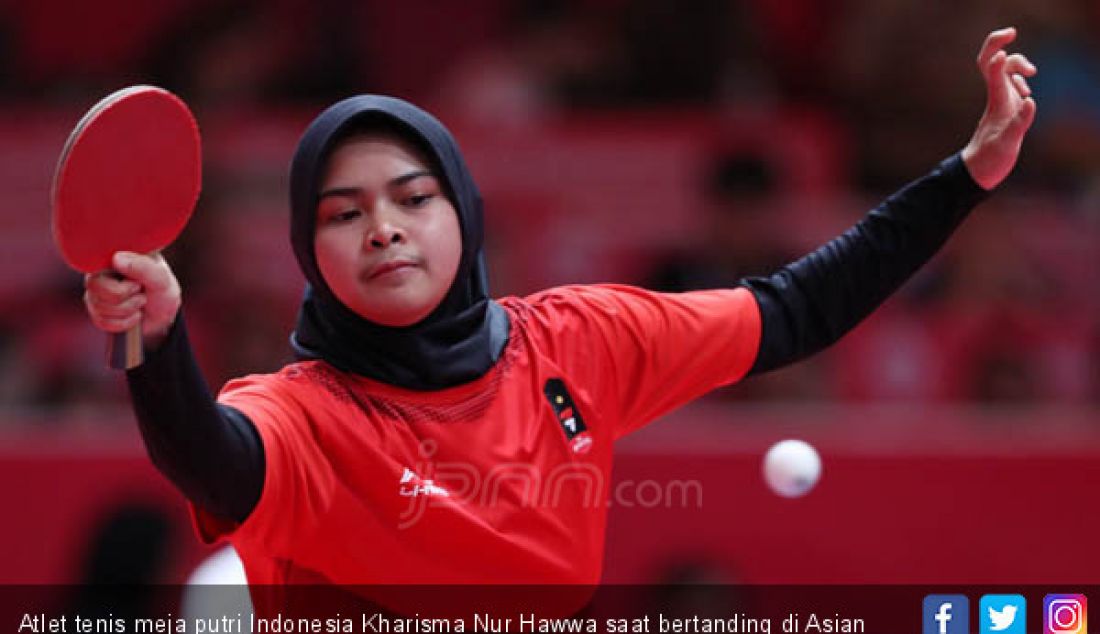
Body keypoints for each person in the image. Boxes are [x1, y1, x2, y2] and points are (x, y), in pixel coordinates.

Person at [83, 29, 1035, 592]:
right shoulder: (303, 414)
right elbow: (206, 459)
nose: (384, 230)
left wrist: (969, 175)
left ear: (463, 211)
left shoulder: (580, 342)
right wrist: (155, 342)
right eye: (345, 214)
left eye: (414, 199)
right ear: (308, 249)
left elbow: (795, 310)